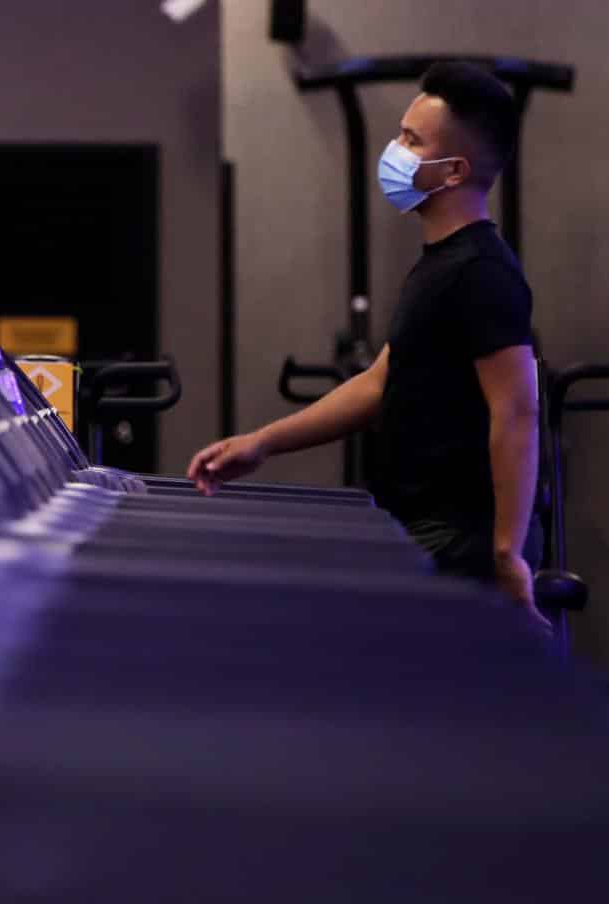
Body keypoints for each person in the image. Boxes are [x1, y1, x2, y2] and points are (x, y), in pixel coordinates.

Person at [189, 61, 546, 627]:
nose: (395, 150)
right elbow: (380, 383)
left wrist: (507, 554)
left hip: (460, 538)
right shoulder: (439, 266)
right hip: (420, 522)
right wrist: (261, 443)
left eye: (411, 140)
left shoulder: (482, 272)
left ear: (453, 170)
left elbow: (517, 411)